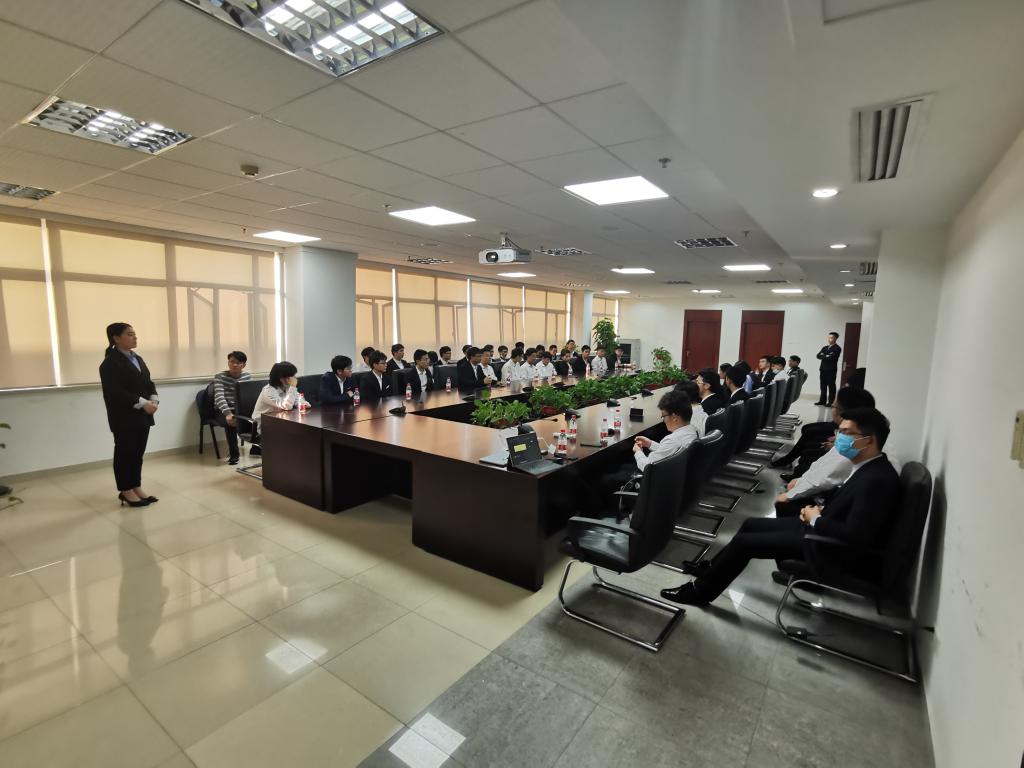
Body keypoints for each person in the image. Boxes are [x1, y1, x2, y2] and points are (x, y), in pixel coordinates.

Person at [661, 408, 900, 606]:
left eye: (847, 433)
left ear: (869, 440)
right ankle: (711, 568)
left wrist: (816, 518)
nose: (839, 438)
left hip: (828, 547)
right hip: (820, 529)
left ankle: (700, 592)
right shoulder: (868, 467)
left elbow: (856, 537)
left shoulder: (876, 481)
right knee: (751, 524)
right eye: (840, 431)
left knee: (745, 543)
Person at [592, 390, 699, 512]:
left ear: (674, 417)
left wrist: (638, 452)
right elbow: (670, 452)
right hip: (674, 482)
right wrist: (650, 444)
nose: (663, 420)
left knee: (603, 477)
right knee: (622, 467)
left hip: (654, 484)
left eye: (664, 416)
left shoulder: (673, 440)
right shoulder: (691, 431)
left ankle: (603, 513)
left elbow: (648, 467)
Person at [99, 322, 159, 507]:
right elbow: (116, 392)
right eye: (130, 334)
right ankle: (125, 490)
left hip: (143, 415)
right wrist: (143, 403)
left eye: (135, 334)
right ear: (116, 338)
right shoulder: (109, 363)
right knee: (125, 453)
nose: (135, 337)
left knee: (137, 453)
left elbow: (148, 382)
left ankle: (135, 486)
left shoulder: (137, 358)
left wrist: (154, 399)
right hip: (124, 417)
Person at [772, 388, 876, 477]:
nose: (832, 408)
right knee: (808, 429)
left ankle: (798, 472)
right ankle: (793, 465)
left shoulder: (857, 435)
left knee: (811, 438)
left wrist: (836, 444)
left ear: (842, 411)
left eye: (833, 406)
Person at [213, 350, 252, 465]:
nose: (234, 365)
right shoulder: (220, 376)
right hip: (222, 409)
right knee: (231, 422)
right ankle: (234, 455)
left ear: (243, 365)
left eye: (238, 362)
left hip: (239, 409)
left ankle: (256, 447)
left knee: (259, 417)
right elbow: (219, 397)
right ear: (228, 363)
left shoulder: (247, 376)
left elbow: (248, 396)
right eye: (231, 362)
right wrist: (228, 413)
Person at [815, 331, 842, 406]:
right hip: (823, 369)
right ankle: (822, 401)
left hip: (831, 370)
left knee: (831, 386)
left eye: (831, 338)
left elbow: (831, 358)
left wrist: (824, 355)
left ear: (835, 339)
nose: (829, 339)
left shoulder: (837, 348)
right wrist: (826, 355)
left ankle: (831, 402)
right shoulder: (825, 347)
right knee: (823, 386)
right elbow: (818, 356)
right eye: (828, 337)